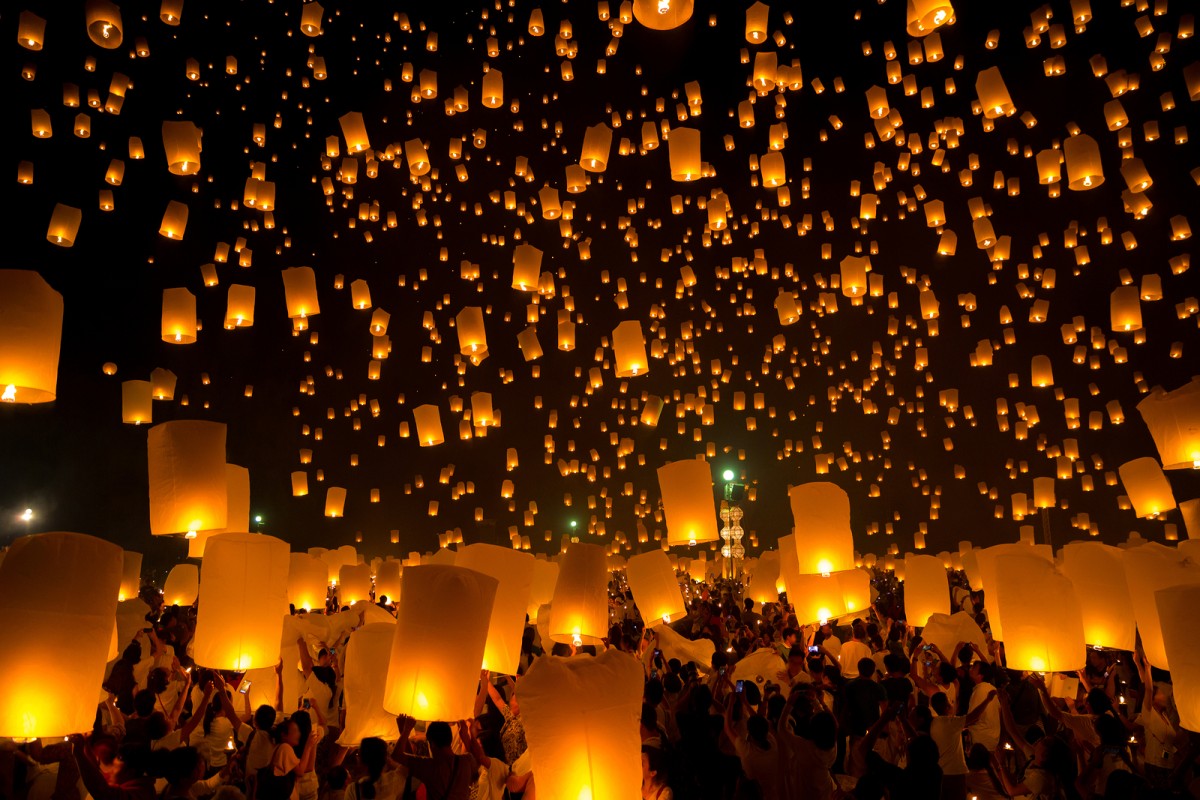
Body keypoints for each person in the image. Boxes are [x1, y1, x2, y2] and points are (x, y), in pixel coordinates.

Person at [394, 717, 476, 800]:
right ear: (450, 739)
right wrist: (466, 735)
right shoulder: (467, 761)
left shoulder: (430, 767)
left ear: (432, 744)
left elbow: (397, 756)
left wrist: (405, 730)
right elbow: (475, 758)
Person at [965, 659, 1001, 751]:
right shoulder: (991, 688)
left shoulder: (980, 690)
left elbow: (974, 717)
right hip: (992, 737)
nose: (970, 669)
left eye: (974, 668)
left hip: (981, 738)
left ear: (980, 675)